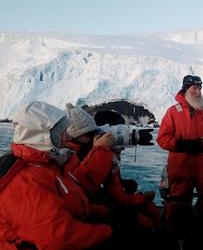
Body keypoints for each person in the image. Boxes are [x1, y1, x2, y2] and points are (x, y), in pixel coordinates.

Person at [0, 101, 112, 250]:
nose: (66, 137)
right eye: (60, 133)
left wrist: (105, 213)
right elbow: (59, 237)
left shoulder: (46, 166)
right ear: (42, 137)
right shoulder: (25, 182)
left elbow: (71, 203)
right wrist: (108, 232)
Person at [64, 104, 160, 230]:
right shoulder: (69, 157)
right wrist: (142, 199)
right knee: (143, 221)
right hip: (93, 211)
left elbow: (113, 189)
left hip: (101, 205)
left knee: (146, 209)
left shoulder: (97, 152)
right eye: (88, 135)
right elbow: (86, 185)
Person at [156, 74, 203, 248]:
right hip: (180, 165)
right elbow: (162, 138)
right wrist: (181, 143)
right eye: (194, 88)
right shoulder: (173, 112)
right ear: (186, 89)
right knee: (177, 202)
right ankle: (173, 239)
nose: (198, 91)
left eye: (200, 88)